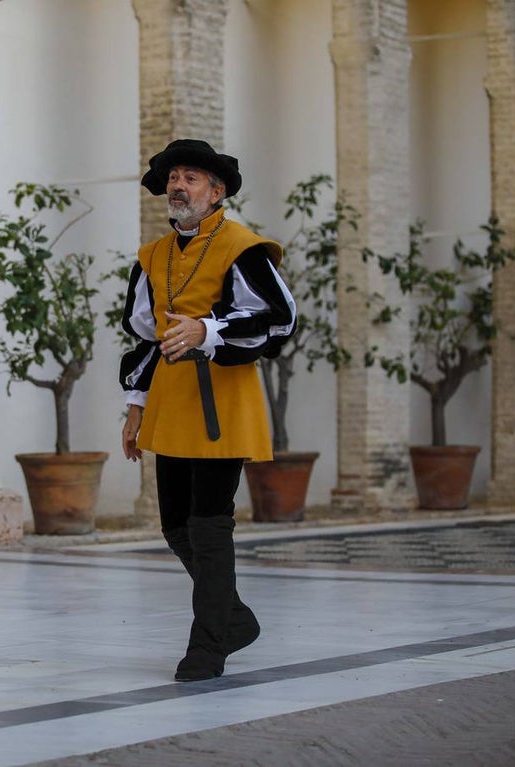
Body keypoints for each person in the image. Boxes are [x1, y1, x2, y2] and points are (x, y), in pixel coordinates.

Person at [119, 139, 296, 682]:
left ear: (216, 192)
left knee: (209, 526)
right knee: (176, 527)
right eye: (174, 176)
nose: (179, 185)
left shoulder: (242, 247)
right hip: (171, 403)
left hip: (223, 400)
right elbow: (148, 338)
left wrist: (210, 329)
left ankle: (208, 646)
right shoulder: (152, 256)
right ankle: (234, 619)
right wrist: (135, 407)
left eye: (192, 177)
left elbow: (281, 318)